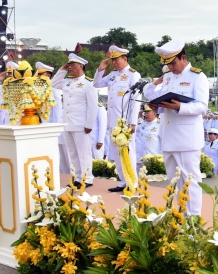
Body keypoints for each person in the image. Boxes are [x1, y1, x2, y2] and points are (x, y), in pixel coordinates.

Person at [143, 40, 208, 216]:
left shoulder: (197, 77)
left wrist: (179, 107)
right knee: (174, 181)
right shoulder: (168, 76)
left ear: (184, 58)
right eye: (167, 64)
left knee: (190, 181)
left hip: (187, 138)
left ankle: (194, 220)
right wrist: (158, 104)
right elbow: (152, 95)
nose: (171, 67)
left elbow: (202, 107)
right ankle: (179, 216)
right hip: (169, 136)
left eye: (173, 63)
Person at [94, 45, 142, 192]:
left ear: (125, 59)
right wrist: (100, 69)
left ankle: (132, 182)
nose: (114, 62)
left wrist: (132, 122)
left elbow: (136, 99)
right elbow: (96, 84)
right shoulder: (113, 74)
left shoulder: (133, 74)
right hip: (113, 120)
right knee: (116, 152)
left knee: (128, 151)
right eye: (112, 60)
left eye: (116, 60)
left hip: (125, 121)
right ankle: (122, 181)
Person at [52, 54, 98, 187]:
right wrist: (62, 69)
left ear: (81, 66)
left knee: (83, 152)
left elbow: (92, 106)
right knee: (73, 153)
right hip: (68, 123)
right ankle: (78, 177)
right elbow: (53, 83)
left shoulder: (88, 84)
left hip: (81, 124)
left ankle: (87, 178)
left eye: (72, 65)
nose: (70, 67)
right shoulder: (67, 81)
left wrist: (89, 124)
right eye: (69, 65)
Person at [36, 62, 71, 176]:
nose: (38, 77)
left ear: (48, 75)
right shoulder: (38, 89)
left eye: (41, 74)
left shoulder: (53, 89)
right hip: (42, 126)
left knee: (59, 153)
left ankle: (65, 174)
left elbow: (57, 109)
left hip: (51, 127)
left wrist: (55, 128)